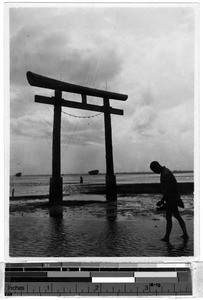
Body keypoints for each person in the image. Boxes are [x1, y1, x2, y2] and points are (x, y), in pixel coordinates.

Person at [150, 161, 189, 242]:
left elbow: (167, 189)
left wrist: (162, 200)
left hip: (172, 198)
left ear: (157, 167)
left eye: (153, 170)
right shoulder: (165, 172)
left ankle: (167, 237)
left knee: (169, 217)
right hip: (172, 198)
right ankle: (185, 234)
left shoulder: (165, 173)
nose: (154, 172)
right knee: (177, 216)